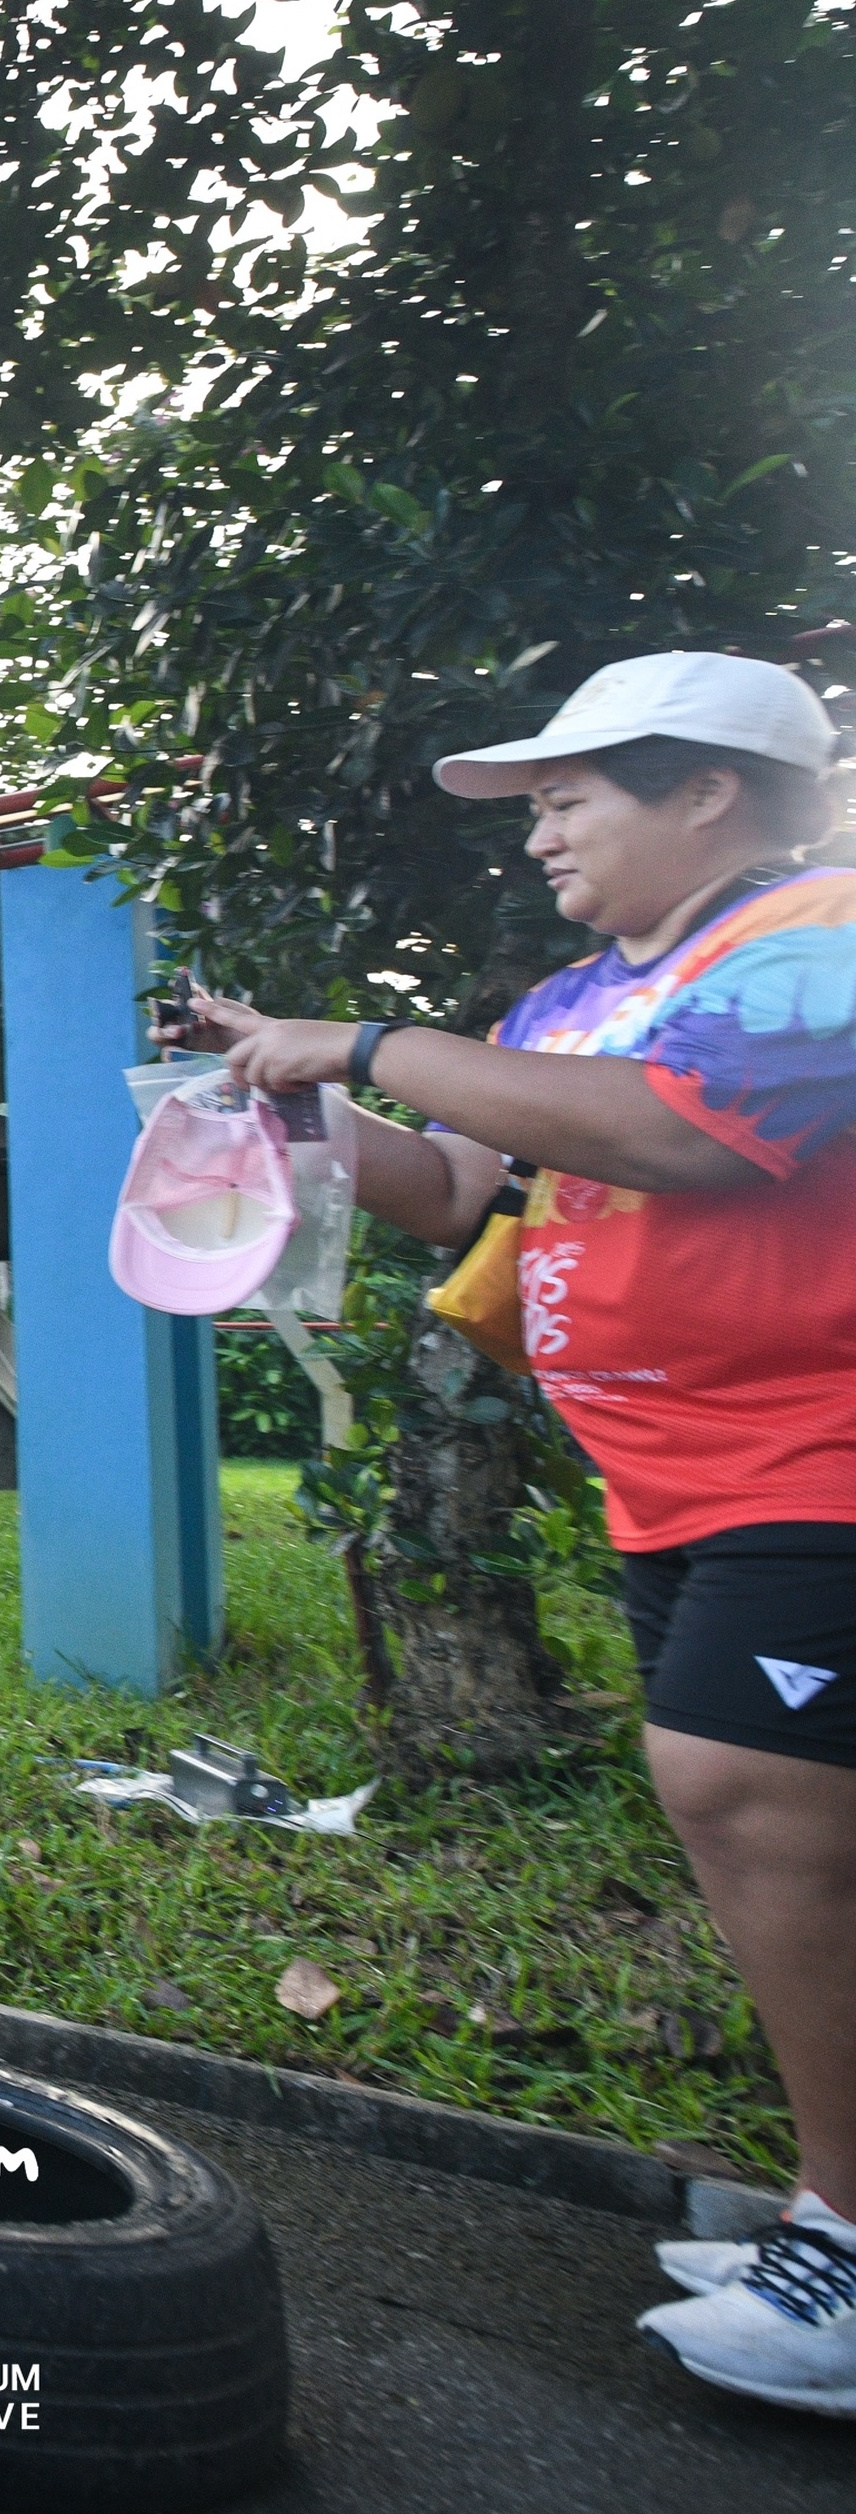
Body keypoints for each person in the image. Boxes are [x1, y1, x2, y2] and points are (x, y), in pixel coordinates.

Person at [165, 650, 856, 2416]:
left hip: (821, 1452)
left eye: (568, 797)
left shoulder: (817, 936)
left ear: (708, 789)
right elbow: (467, 1187)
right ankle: (825, 2207)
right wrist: (304, 1106)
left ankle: (851, 2248)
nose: (539, 831)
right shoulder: (573, 1000)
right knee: (768, 1830)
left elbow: (684, 1134)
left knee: (744, 1791)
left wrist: (367, 1041)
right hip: (677, 1471)